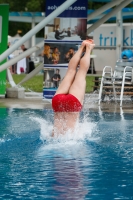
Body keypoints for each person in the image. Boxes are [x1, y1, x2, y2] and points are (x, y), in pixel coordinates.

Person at [52, 40, 95, 136]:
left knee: (80, 72)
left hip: (62, 102)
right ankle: (85, 48)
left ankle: (86, 49)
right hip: (60, 102)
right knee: (74, 71)